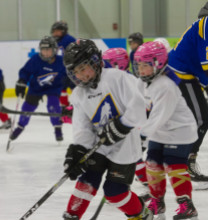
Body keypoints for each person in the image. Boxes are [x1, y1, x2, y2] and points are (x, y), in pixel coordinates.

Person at [62, 39, 152, 220]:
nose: (80, 76)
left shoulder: (118, 78)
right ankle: (72, 216)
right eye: (76, 72)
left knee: (115, 193)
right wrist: (79, 150)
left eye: (82, 68)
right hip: (99, 144)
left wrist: (122, 125)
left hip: (124, 148)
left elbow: (140, 105)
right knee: (86, 182)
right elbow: (83, 127)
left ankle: (142, 215)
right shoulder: (79, 94)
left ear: (95, 61)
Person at [134, 41, 198, 220]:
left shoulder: (166, 86)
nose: (141, 69)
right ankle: (157, 202)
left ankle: (187, 205)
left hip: (180, 131)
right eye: (138, 65)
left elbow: (158, 116)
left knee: (174, 165)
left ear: (158, 64)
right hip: (159, 131)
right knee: (153, 165)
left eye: (145, 65)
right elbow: (134, 104)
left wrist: (141, 137)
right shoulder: (142, 82)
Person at [168, 0, 208, 189]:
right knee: (201, 120)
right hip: (180, 74)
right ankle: (185, 166)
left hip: (185, 74)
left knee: (188, 121)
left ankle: (156, 164)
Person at [103, 47, 149, 188]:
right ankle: (146, 180)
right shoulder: (114, 80)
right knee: (133, 156)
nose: (103, 67)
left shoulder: (130, 82)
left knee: (130, 155)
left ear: (118, 65)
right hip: (126, 127)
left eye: (107, 63)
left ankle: (122, 186)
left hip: (134, 127)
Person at [10, 36, 67, 142]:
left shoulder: (61, 61)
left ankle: (57, 127)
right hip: (36, 88)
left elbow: (69, 74)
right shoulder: (36, 59)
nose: (45, 53)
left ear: (54, 50)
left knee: (53, 106)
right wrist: (22, 81)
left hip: (53, 88)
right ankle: (20, 126)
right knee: (27, 107)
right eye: (43, 50)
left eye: (48, 50)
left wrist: (70, 81)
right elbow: (25, 71)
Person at [51, 21, 77, 111]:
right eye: (54, 31)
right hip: (61, 71)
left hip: (72, 69)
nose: (55, 33)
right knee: (62, 89)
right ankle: (65, 106)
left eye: (57, 31)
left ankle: (76, 105)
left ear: (63, 31)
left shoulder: (70, 40)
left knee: (75, 88)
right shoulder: (54, 41)